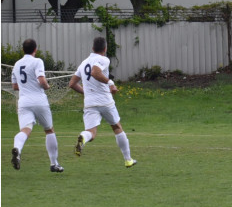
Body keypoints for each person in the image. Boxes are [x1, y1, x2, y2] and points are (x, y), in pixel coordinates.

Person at [68, 37, 137, 168]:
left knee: (91, 133)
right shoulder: (104, 59)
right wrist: (110, 83)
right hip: (105, 101)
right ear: (105, 49)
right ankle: (128, 160)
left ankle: (83, 137)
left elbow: (72, 84)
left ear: (92, 48)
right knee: (117, 127)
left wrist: (86, 93)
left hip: (90, 103)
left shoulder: (83, 63)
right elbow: (95, 72)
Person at [10, 39, 64, 172]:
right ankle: (54, 163)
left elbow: (15, 86)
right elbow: (41, 80)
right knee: (49, 130)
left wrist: (26, 86)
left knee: (25, 130)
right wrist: (47, 85)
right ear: (35, 49)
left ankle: (17, 148)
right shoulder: (37, 61)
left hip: (23, 102)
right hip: (39, 100)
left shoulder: (16, 65)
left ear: (23, 50)